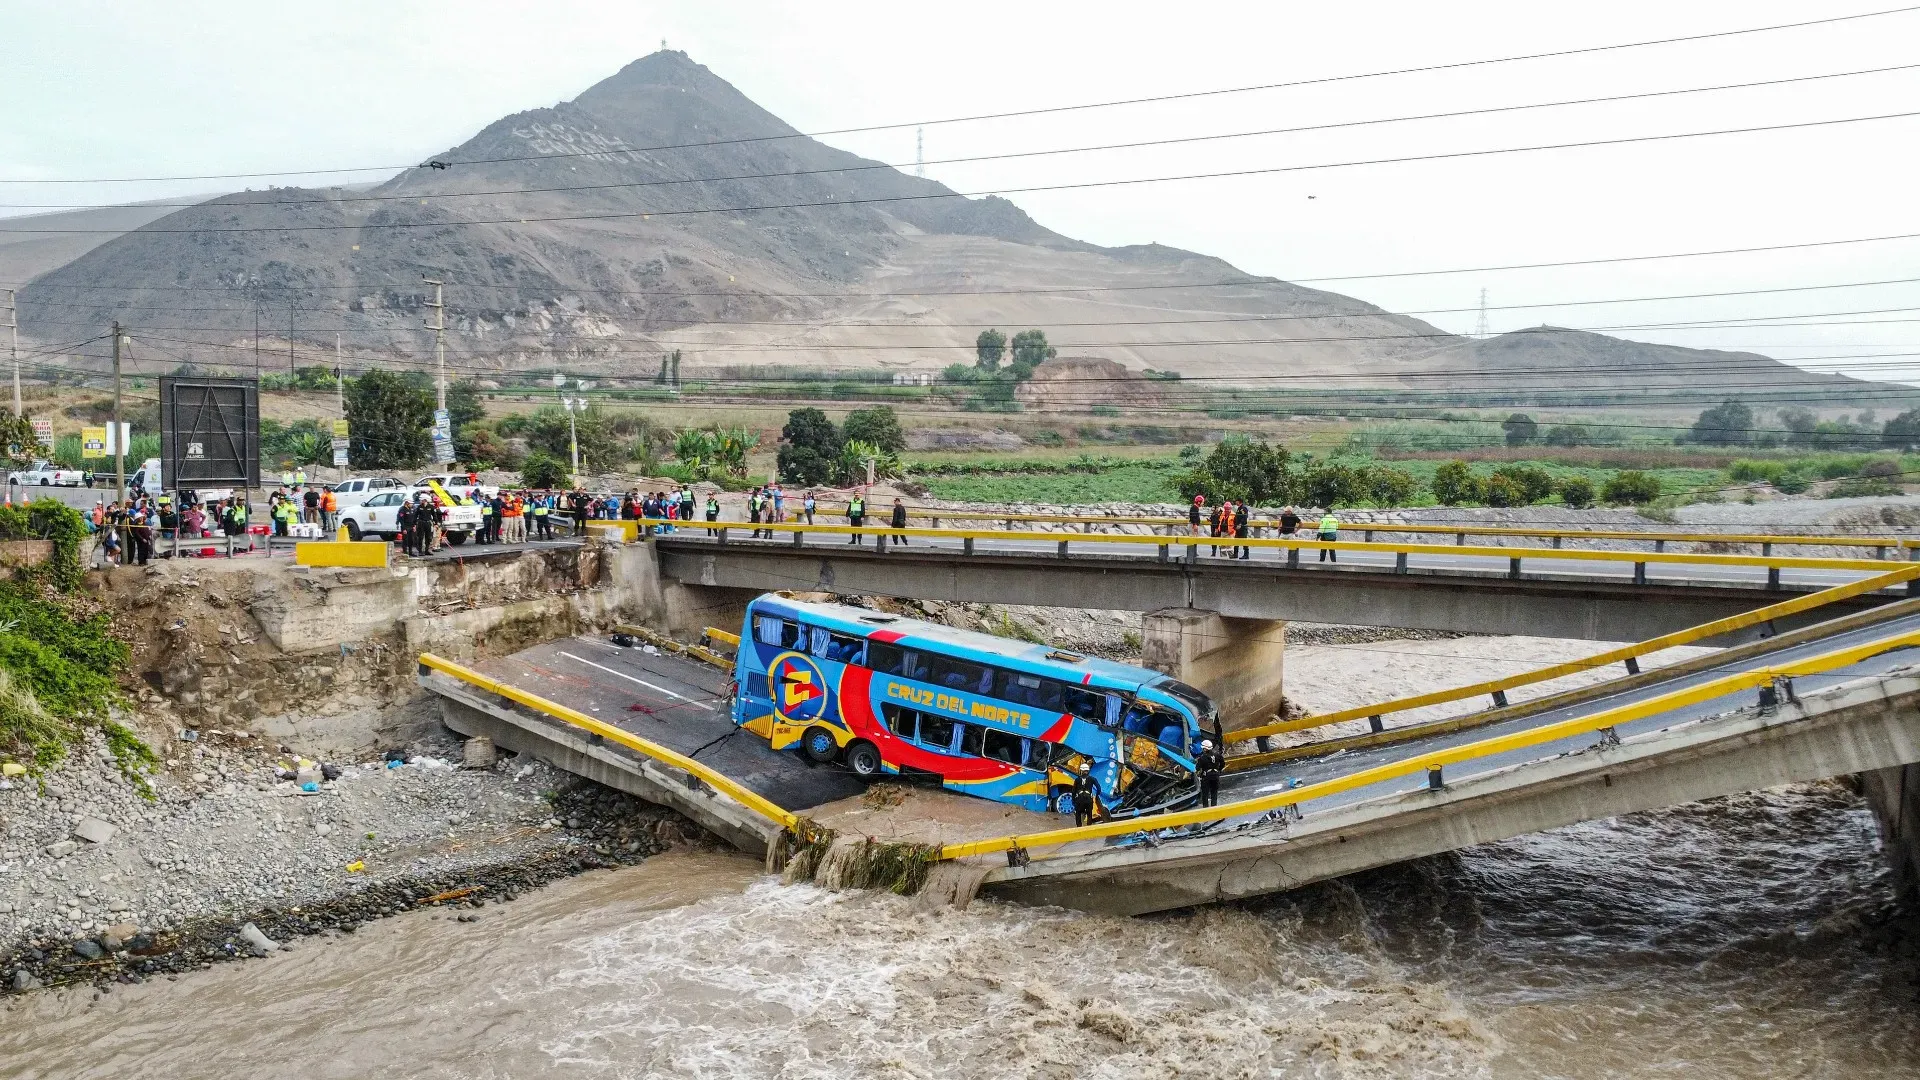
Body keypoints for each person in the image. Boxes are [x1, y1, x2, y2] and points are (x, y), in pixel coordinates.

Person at [1196, 739, 1224, 807]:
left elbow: (1197, 768)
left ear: (1205, 749)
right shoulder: (1217, 755)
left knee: (1205, 794)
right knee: (1214, 794)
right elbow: (1223, 763)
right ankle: (1214, 809)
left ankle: (1206, 810)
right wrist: (1218, 770)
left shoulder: (1202, 758)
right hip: (1215, 776)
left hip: (1206, 777)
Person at [1071, 761, 1098, 828]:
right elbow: (1099, 788)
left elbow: (1073, 791)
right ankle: (1089, 827)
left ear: (1081, 771)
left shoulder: (1077, 780)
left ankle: (1079, 827)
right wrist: (1096, 796)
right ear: (1088, 771)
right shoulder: (1092, 779)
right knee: (1089, 814)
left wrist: (1073, 800)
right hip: (1088, 800)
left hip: (1079, 800)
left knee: (1078, 813)